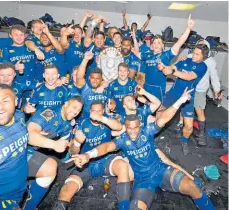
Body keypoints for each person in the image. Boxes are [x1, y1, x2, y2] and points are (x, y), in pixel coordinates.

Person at [68, 88, 214, 210]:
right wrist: (88, 154)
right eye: (129, 128)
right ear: (125, 127)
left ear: (140, 126)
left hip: (160, 170)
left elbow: (164, 118)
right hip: (143, 181)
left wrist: (180, 101)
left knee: (191, 185)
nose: (132, 131)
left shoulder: (148, 130)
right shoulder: (122, 139)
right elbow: (107, 147)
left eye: (135, 128)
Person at [53, 101, 132, 210]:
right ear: (90, 112)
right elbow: (73, 153)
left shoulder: (107, 120)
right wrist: (77, 143)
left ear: (103, 111)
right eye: (93, 111)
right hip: (86, 163)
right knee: (68, 187)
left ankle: (124, 207)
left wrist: (102, 118)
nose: (96, 114)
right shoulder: (82, 124)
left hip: (106, 159)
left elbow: (118, 127)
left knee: (123, 166)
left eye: (99, 111)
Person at [23, 96, 84, 209]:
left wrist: (77, 143)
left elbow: (70, 150)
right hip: (17, 151)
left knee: (50, 168)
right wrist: (54, 144)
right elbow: (28, 135)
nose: (75, 112)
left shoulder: (67, 125)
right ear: (65, 103)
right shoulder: (50, 113)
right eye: (74, 107)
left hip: (33, 153)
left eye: (78, 110)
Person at [132, 14, 195, 105]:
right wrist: (134, 38)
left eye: (159, 43)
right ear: (152, 45)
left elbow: (179, 43)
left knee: (158, 111)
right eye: (154, 43)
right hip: (146, 87)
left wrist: (188, 29)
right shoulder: (148, 54)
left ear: (162, 46)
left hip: (158, 89)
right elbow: (137, 53)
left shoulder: (165, 55)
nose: (156, 45)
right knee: (145, 109)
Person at [161, 44, 209, 155]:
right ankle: (154, 135)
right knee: (159, 112)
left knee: (188, 126)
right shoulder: (185, 60)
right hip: (173, 93)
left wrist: (172, 72)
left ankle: (184, 141)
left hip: (187, 97)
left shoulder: (202, 67)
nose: (194, 55)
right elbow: (173, 67)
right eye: (194, 52)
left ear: (203, 57)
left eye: (197, 54)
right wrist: (167, 68)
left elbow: (189, 76)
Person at [174, 39, 222, 147]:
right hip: (188, 88)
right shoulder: (191, 56)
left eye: (203, 46)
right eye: (199, 46)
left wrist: (217, 91)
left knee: (199, 111)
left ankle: (201, 134)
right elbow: (180, 67)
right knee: (183, 107)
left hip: (200, 90)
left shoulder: (210, 61)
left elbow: (214, 77)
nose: (201, 48)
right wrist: (180, 60)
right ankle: (181, 123)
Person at [75, 50, 109, 119]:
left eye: (98, 78)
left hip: (103, 124)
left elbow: (111, 102)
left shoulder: (106, 90)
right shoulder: (84, 88)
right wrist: (85, 59)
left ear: (101, 79)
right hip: (86, 123)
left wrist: (112, 104)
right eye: (93, 78)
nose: (95, 80)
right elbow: (79, 77)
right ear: (89, 78)